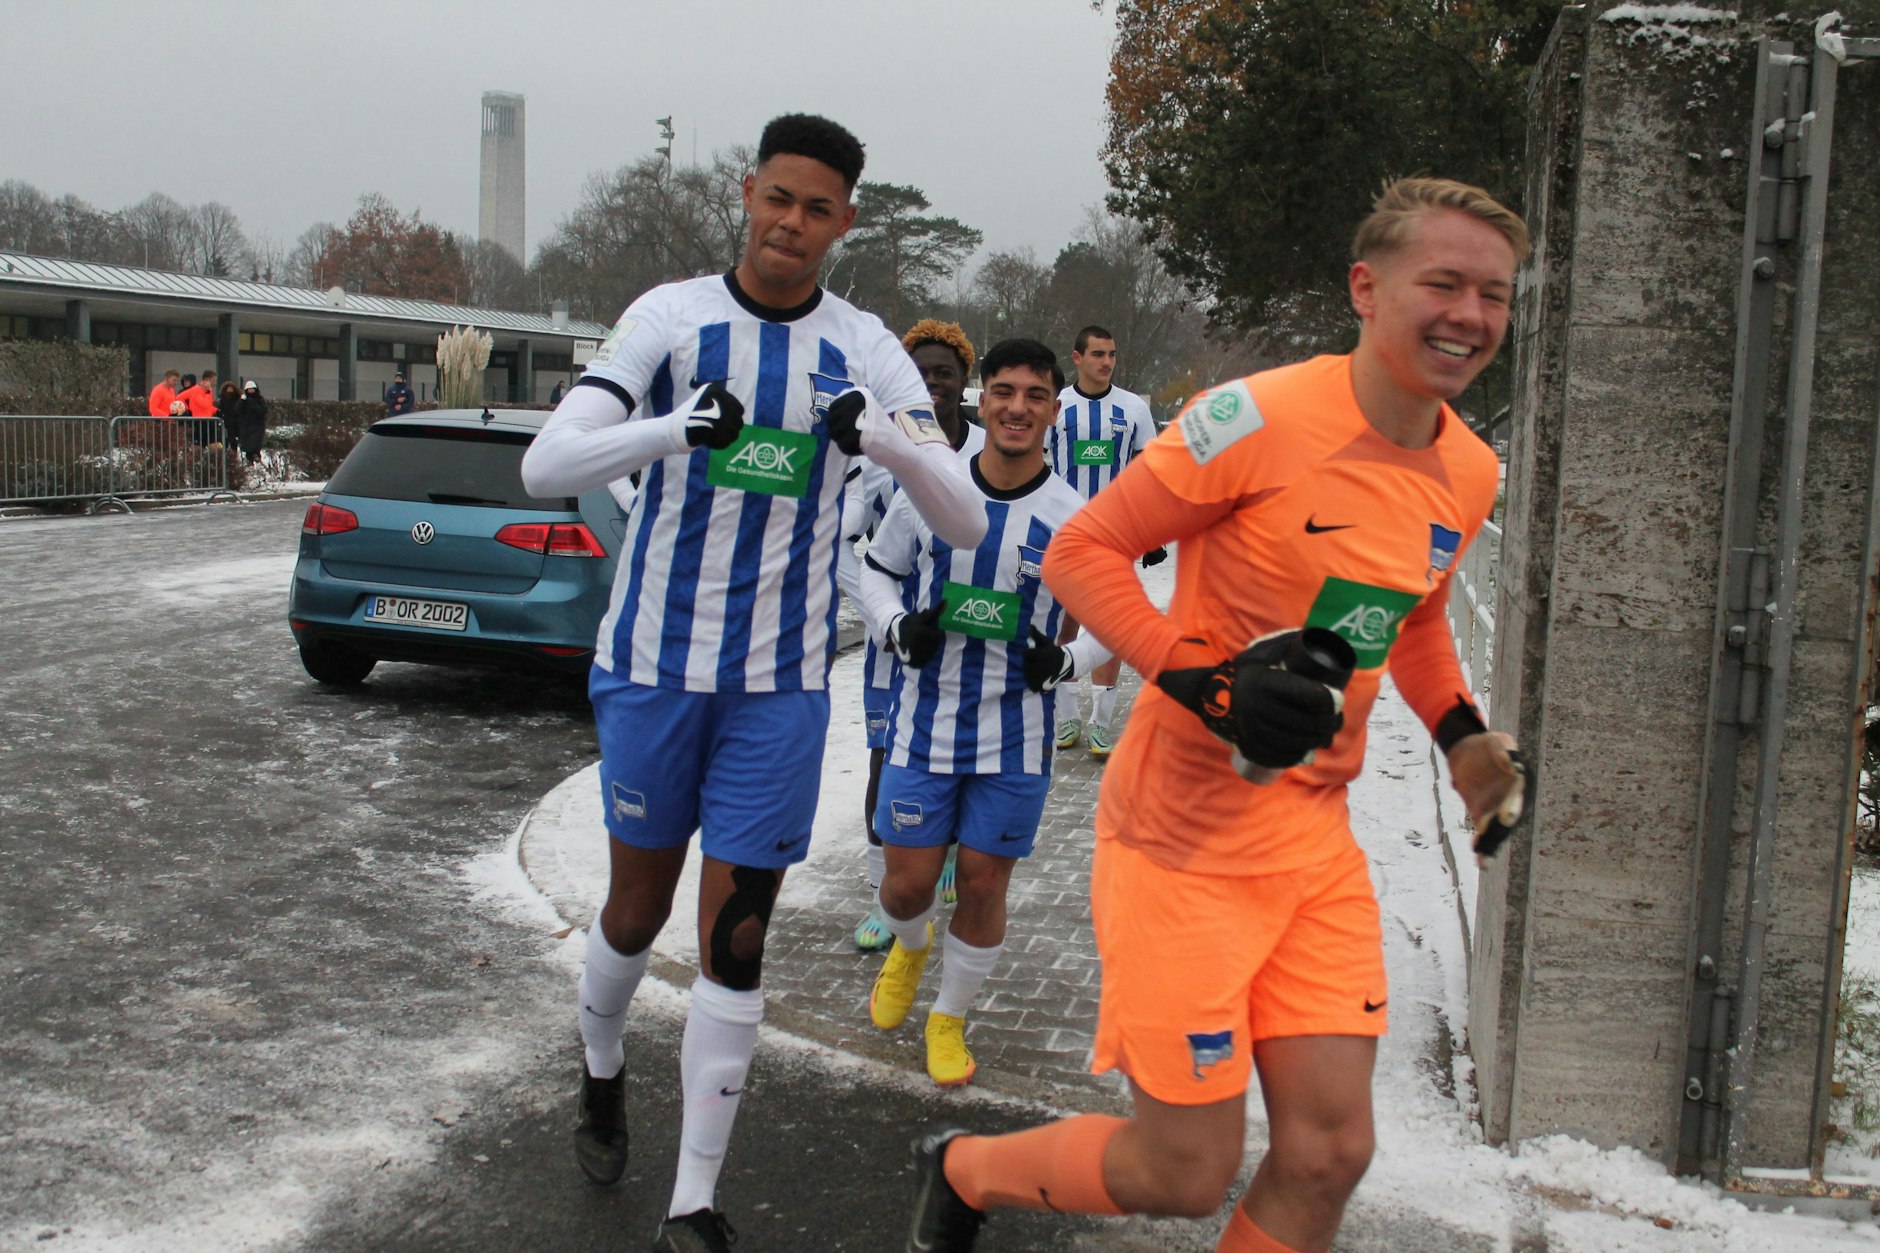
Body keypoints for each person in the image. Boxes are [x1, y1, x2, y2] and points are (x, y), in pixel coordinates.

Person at [905, 178, 1537, 1253]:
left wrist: (1462, 737)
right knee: (1182, 1171)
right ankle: (961, 1170)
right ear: (1364, 286)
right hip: (1179, 843)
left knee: (1329, 1152)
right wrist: (1201, 679)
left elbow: (1411, 615)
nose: (1469, 315)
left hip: (1311, 849)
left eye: (1493, 293)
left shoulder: (1468, 468)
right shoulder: (1252, 419)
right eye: (1442, 283)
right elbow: (1081, 551)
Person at [519, 113, 985, 1253]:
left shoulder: (866, 347)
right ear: (748, 194)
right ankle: (600, 1067)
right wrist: (672, 428)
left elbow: (963, 518)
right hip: (649, 670)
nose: (791, 224)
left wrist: (885, 443)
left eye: (816, 208)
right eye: (777, 198)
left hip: (777, 690)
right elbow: (545, 463)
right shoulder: (669, 317)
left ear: (844, 222)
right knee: (634, 912)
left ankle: (692, 1205)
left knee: (734, 940)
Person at [859, 337, 1109, 1088]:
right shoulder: (931, 492)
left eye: (1035, 396)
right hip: (921, 725)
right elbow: (875, 570)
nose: (1017, 407)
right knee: (904, 888)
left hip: (1017, 735)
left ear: (1054, 411)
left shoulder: (1074, 517)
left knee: (983, 882)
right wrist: (896, 626)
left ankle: (948, 1018)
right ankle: (909, 946)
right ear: (982, 401)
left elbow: (1112, 614)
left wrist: (1068, 661)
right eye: (1004, 391)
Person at [839, 319, 983, 952]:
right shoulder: (876, 456)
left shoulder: (991, 447)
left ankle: (945, 854)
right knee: (885, 760)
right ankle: (883, 899)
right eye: (920, 373)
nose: (931, 384)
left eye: (944, 373)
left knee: (968, 759)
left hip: (976, 642)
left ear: (963, 382)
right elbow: (846, 545)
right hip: (895, 644)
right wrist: (887, 620)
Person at [1047, 325, 1161, 760]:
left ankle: (1100, 723)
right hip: (1062, 534)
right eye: (1097, 354)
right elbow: (1036, 464)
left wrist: (1148, 530)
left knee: (1109, 625)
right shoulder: (1059, 407)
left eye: (1111, 354)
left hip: (1114, 535)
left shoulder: (1132, 408)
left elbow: (1146, 472)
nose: (1107, 362)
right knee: (1062, 625)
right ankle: (1067, 715)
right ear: (1077, 358)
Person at [235, 381, 267, 465]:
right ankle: (249, 461)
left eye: (252, 389)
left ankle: (256, 458)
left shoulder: (259, 399)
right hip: (246, 426)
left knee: (255, 443)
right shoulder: (243, 400)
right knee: (247, 445)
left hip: (257, 425)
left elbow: (263, 411)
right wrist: (242, 400)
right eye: (249, 389)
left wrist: (252, 404)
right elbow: (238, 410)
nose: (251, 391)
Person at [216, 379, 240, 448]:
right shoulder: (222, 400)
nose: (229, 391)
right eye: (228, 389)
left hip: (235, 423)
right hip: (226, 422)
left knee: (234, 441)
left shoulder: (238, 399)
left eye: (231, 389)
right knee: (225, 440)